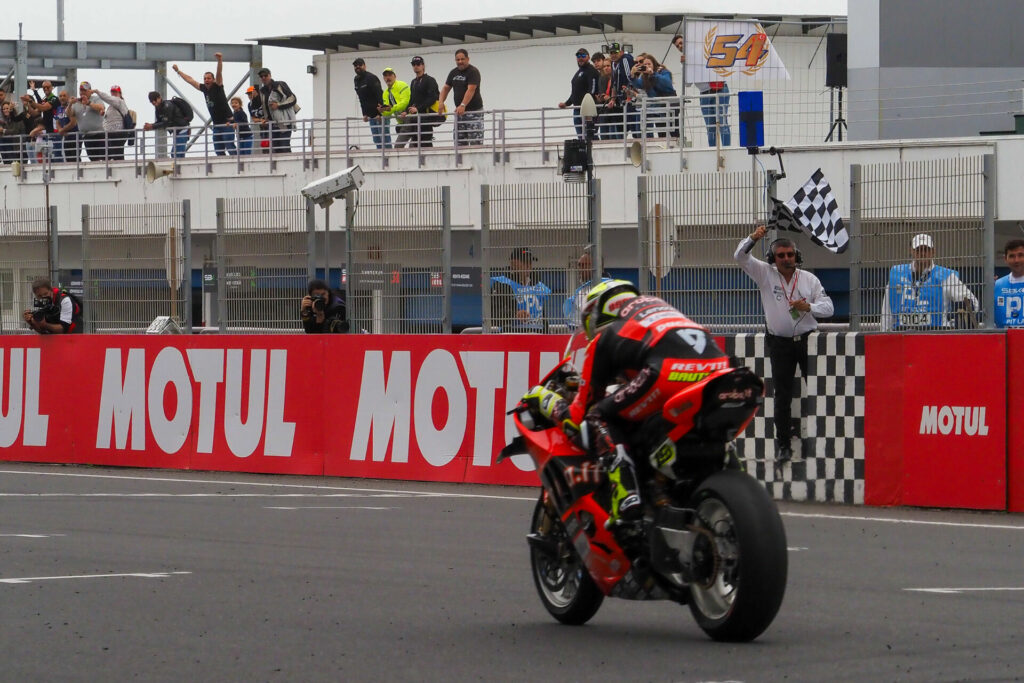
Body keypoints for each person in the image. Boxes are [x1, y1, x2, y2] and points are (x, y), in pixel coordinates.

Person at [524, 280, 732, 527]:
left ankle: (626, 495)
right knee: (707, 431)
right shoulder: (656, 314)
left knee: (598, 416)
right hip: (721, 371)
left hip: (668, 374)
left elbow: (577, 414)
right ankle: (730, 475)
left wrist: (541, 397)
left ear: (596, 313)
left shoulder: (606, 337)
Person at [734, 225, 834, 462]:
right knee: (782, 396)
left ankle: (824, 443)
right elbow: (739, 256)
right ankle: (784, 446)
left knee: (819, 392)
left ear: (796, 256)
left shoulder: (809, 280)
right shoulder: (764, 273)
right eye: (781, 255)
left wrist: (809, 307)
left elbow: (829, 308)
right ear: (773, 258)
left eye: (790, 254)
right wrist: (753, 238)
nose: (786, 259)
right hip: (779, 343)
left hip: (808, 341)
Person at [880, 233, 979, 331]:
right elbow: (886, 312)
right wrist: (883, 337)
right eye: (918, 250)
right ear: (912, 251)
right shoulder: (897, 274)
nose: (922, 253)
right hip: (902, 335)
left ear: (933, 252)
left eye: (926, 250)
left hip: (936, 335)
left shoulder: (946, 276)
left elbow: (972, 302)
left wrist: (959, 318)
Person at [673, 34, 730, 147]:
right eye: (677, 45)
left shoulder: (701, 52)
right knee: (710, 126)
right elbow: (688, 84)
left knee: (722, 122)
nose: (680, 46)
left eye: (681, 42)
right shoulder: (684, 62)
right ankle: (712, 150)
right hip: (705, 93)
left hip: (719, 88)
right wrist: (684, 65)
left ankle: (727, 149)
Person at [174, 54, 235, 156]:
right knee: (218, 150)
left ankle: (238, 163)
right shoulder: (204, 89)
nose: (206, 80)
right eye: (205, 78)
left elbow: (219, 73)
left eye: (209, 78)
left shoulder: (218, 86)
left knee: (230, 147)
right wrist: (178, 71)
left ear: (213, 79)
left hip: (227, 123)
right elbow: (190, 80)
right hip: (216, 125)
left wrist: (220, 60)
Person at [490, 247, 551, 332]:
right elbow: (493, 314)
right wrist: (514, 314)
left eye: (530, 262)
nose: (529, 265)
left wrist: (546, 335)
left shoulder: (539, 286)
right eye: (524, 262)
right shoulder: (502, 284)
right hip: (511, 336)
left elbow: (542, 315)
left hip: (536, 337)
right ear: (513, 264)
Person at [439, 48, 483, 146]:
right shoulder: (453, 72)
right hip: (459, 113)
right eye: (458, 60)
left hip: (474, 112)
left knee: (475, 142)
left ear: (467, 59)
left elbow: (471, 89)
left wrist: (463, 105)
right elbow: (446, 88)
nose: (460, 62)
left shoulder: (473, 71)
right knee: (459, 142)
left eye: (462, 59)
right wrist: (441, 102)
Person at [629, 53, 676, 137]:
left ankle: (677, 142)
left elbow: (667, 83)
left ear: (654, 64)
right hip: (658, 106)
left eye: (649, 64)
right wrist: (632, 75)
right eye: (645, 64)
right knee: (662, 132)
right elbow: (639, 84)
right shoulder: (644, 76)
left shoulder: (663, 71)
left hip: (670, 104)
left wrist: (653, 74)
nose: (647, 66)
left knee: (674, 130)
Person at [400, 56, 441, 148]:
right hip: (416, 119)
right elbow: (412, 100)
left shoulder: (430, 80)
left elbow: (433, 98)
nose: (416, 66)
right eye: (414, 64)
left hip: (426, 118)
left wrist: (417, 108)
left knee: (425, 144)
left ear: (423, 66)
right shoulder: (414, 82)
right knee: (415, 143)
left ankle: (428, 161)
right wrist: (406, 111)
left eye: (418, 64)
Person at [558, 48, 599, 139]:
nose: (580, 58)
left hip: (586, 110)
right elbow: (575, 93)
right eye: (578, 56)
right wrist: (566, 103)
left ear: (588, 57)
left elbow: (592, 89)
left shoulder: (591, 71)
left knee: (590, 135)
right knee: (581, 137)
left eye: (583, 56)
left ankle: (593, 150)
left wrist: (588, 105)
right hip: (577, 109)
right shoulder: (579, 72)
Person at [59, 82, 106, 161]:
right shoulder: (76, 102)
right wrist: (70, 104)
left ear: (90, 91)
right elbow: (68, 114)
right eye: (81, 90)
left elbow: (101, 107)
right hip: (87, 136)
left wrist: (88, 103)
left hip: (99, 135)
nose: (82, 92)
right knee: (93, 159)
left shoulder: (95, 99)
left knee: (102, 158)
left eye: (84, 90)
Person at [257, 68, 298, 153]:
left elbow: (292, 98)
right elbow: (264, 107)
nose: (263, 78)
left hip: (284, 121)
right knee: (276, 147)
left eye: (265, 75)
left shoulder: (279, 84)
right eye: (261, 76)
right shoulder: (262, 91)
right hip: (272, 123)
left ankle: (288, 163)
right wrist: (264, 118)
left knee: (284, 145)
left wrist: (278, 105)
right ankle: (282, 165)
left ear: (270, 75)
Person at [353, 58, 388, 149]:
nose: (357, 67)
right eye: (355, 65)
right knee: (376, 139)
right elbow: (361, 99)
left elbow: (379, 95)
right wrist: (364, 114)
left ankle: (388, 156)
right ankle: (381, 157)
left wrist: (380, 113)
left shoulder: (371, 77)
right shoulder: (356, 80)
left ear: (364, 66)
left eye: (360, 65)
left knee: (384, 138)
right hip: (370, 115)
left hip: (379, 114)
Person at [143, 92, 190, 159]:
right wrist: (151, 126)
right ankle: (180, 168)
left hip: (182, 130)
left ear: (159, 98)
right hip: (178, 131)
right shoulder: (158, 108)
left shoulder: (167, 106)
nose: (154, 103)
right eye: (152, 101)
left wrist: (152, 126)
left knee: (175, 154)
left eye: (155, 100)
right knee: (178, 154)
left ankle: (179, 168)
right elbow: (160, 121)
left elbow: (166, 122)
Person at [92, 85, 130, 160]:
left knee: (117, 154)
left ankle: (118, 167)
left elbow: (108, 98)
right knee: (112, 153)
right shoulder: (112, 106)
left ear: (120, 93)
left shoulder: (119, 101)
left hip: (117, 133)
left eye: (115, 92)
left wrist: (98, 92)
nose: (113, 94)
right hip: (111, 134)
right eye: (112, 92)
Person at [995, 239, 1024, 328]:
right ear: (1005, 259)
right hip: (1004, 340)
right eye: (1012, 256)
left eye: (1020, 255)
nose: (1016, 260)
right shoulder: (997, 285)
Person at [378, 67, 410, 147]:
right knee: (400, 147)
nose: (388, 78)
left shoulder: (402, 85)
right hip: (402, 123)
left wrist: (391, 108)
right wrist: (382, 111)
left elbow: (405, 102)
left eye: (390, 75)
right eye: (385, 76)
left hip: (411, 119)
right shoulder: (385, 93)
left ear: (395, 76)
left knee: (400, 147)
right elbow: (388, 113)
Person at [246, 86, 267, 153]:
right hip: (262, 127)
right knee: (264, 145)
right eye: (248, 94)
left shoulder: (263, 100)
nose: (249, 95)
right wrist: (260, 120)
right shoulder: (250, 104)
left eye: (251, 93)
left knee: (272, 144)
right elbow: (254, 119)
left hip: (271, 126)